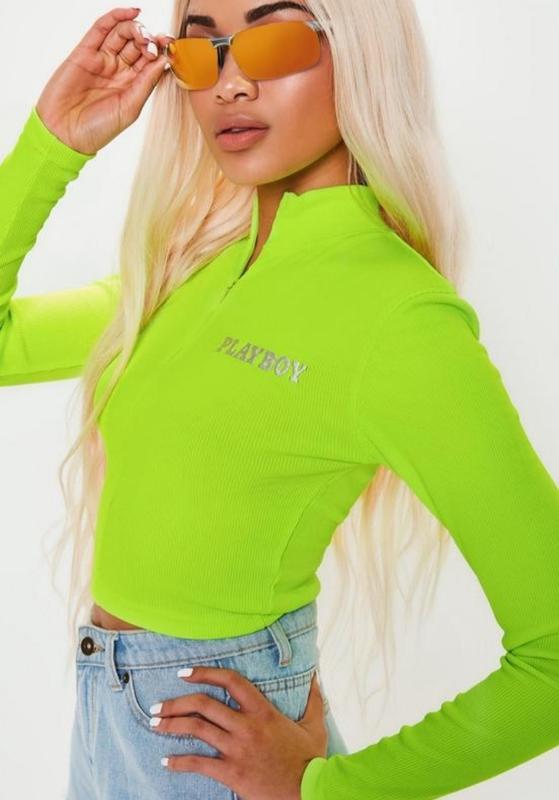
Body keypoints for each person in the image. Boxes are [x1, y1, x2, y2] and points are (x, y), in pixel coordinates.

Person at [1, 2, 558, 799]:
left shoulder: (398, 316)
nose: (231, 84)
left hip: (208, 745)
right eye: (203, 53)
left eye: (275, 41)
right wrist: (53, 143)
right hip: (111, 718)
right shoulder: (192, 270)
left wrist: (328, 789)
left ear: (360, 52)